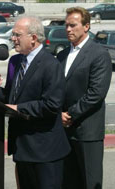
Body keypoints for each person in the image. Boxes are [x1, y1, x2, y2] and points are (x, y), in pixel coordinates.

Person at [0, 16, 70, 189]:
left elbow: (51, 105)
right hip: (23, 147)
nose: (12, 39)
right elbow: (13, 98)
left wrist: (18, 108)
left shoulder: (50, 65)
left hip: (44, 151)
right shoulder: (18, 61)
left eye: (17, 35)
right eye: (12, 35)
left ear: (33, 38)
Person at [57, 7, 112, 189]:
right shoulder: (62, 54)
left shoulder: (98, 54)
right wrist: (59, 113)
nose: (68, 29)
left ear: (86, 26)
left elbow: (96, 93)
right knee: (68, 182)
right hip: (64, 132)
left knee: (90, 182)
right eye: (66, 25)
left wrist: (70, 114)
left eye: (73, 25)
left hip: (87, 131)